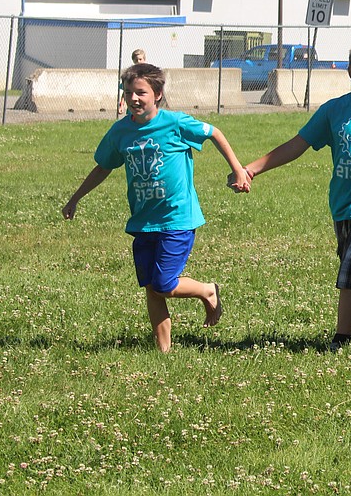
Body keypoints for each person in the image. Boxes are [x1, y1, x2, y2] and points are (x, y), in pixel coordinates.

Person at [240, 41, 351, 350]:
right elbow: (297, 145)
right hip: (343, 204)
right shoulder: (334, 111)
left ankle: (341, 339)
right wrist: (252, 169)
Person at [63, 62, 249, 352]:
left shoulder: (175, 123)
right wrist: (76, 198)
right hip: (143, 220)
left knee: (163, 283)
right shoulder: (120, 132)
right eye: (129, 93)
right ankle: (164, 351)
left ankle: (206, 290)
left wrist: (238, 169)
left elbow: (214, 132)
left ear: (158, 94)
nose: (134, 99)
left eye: (141, 92)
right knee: (152, 287)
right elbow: (103, 167)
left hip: (177, 218)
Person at [118, 49, 148, 117]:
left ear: (144, 59)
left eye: (140, 59)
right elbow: (125, 91)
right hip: (133, 105)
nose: (138, 62)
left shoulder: (148, 74)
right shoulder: (130, 75)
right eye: (136, 60)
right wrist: (121, 105)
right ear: (133, 61)